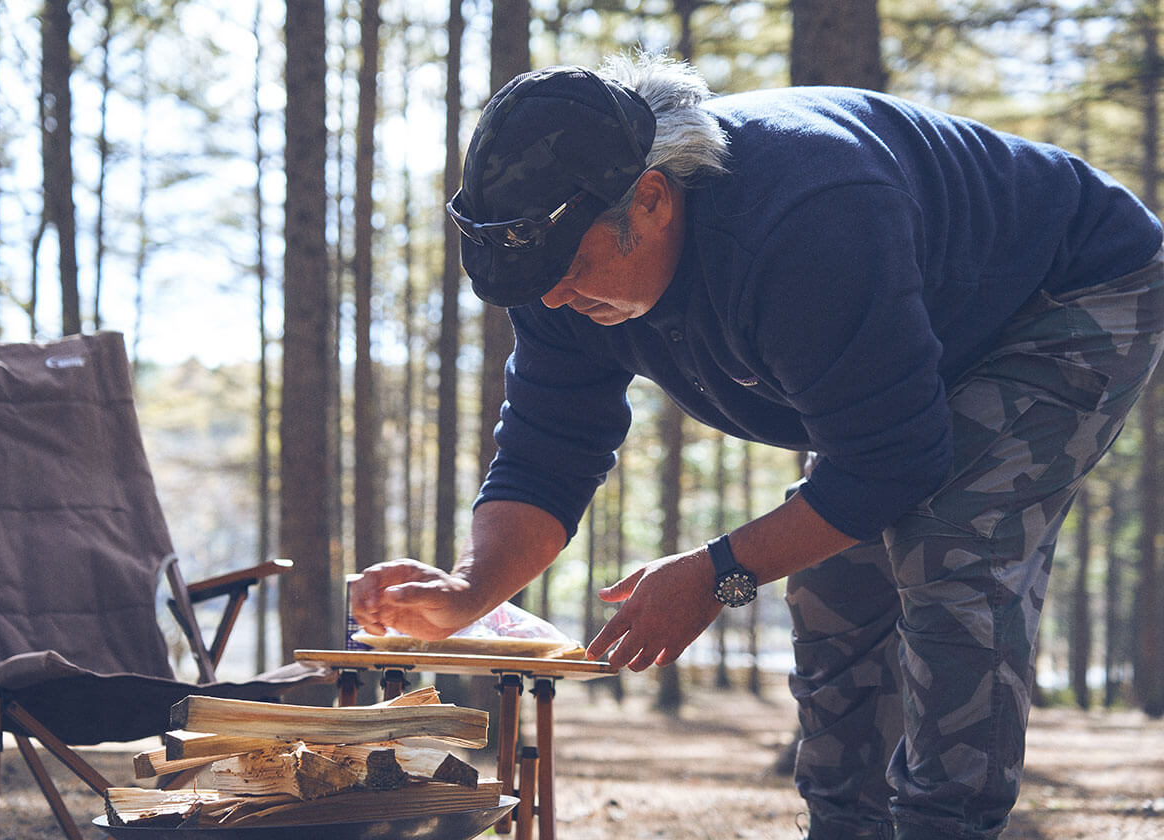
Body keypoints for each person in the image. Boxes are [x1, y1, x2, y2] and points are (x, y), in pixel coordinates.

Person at [349, 52, 1164, 840]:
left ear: (653, 201)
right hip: (918, 340)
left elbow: (893, 463)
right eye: (536, 281)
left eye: (573, 267)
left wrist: (715, 576)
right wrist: (468, 593)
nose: (556, 296)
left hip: (1068, 293)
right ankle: (845, 828)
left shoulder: (807, 223)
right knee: (830, 580)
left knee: (948, 543)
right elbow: (545, 451)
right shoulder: (550, 269)